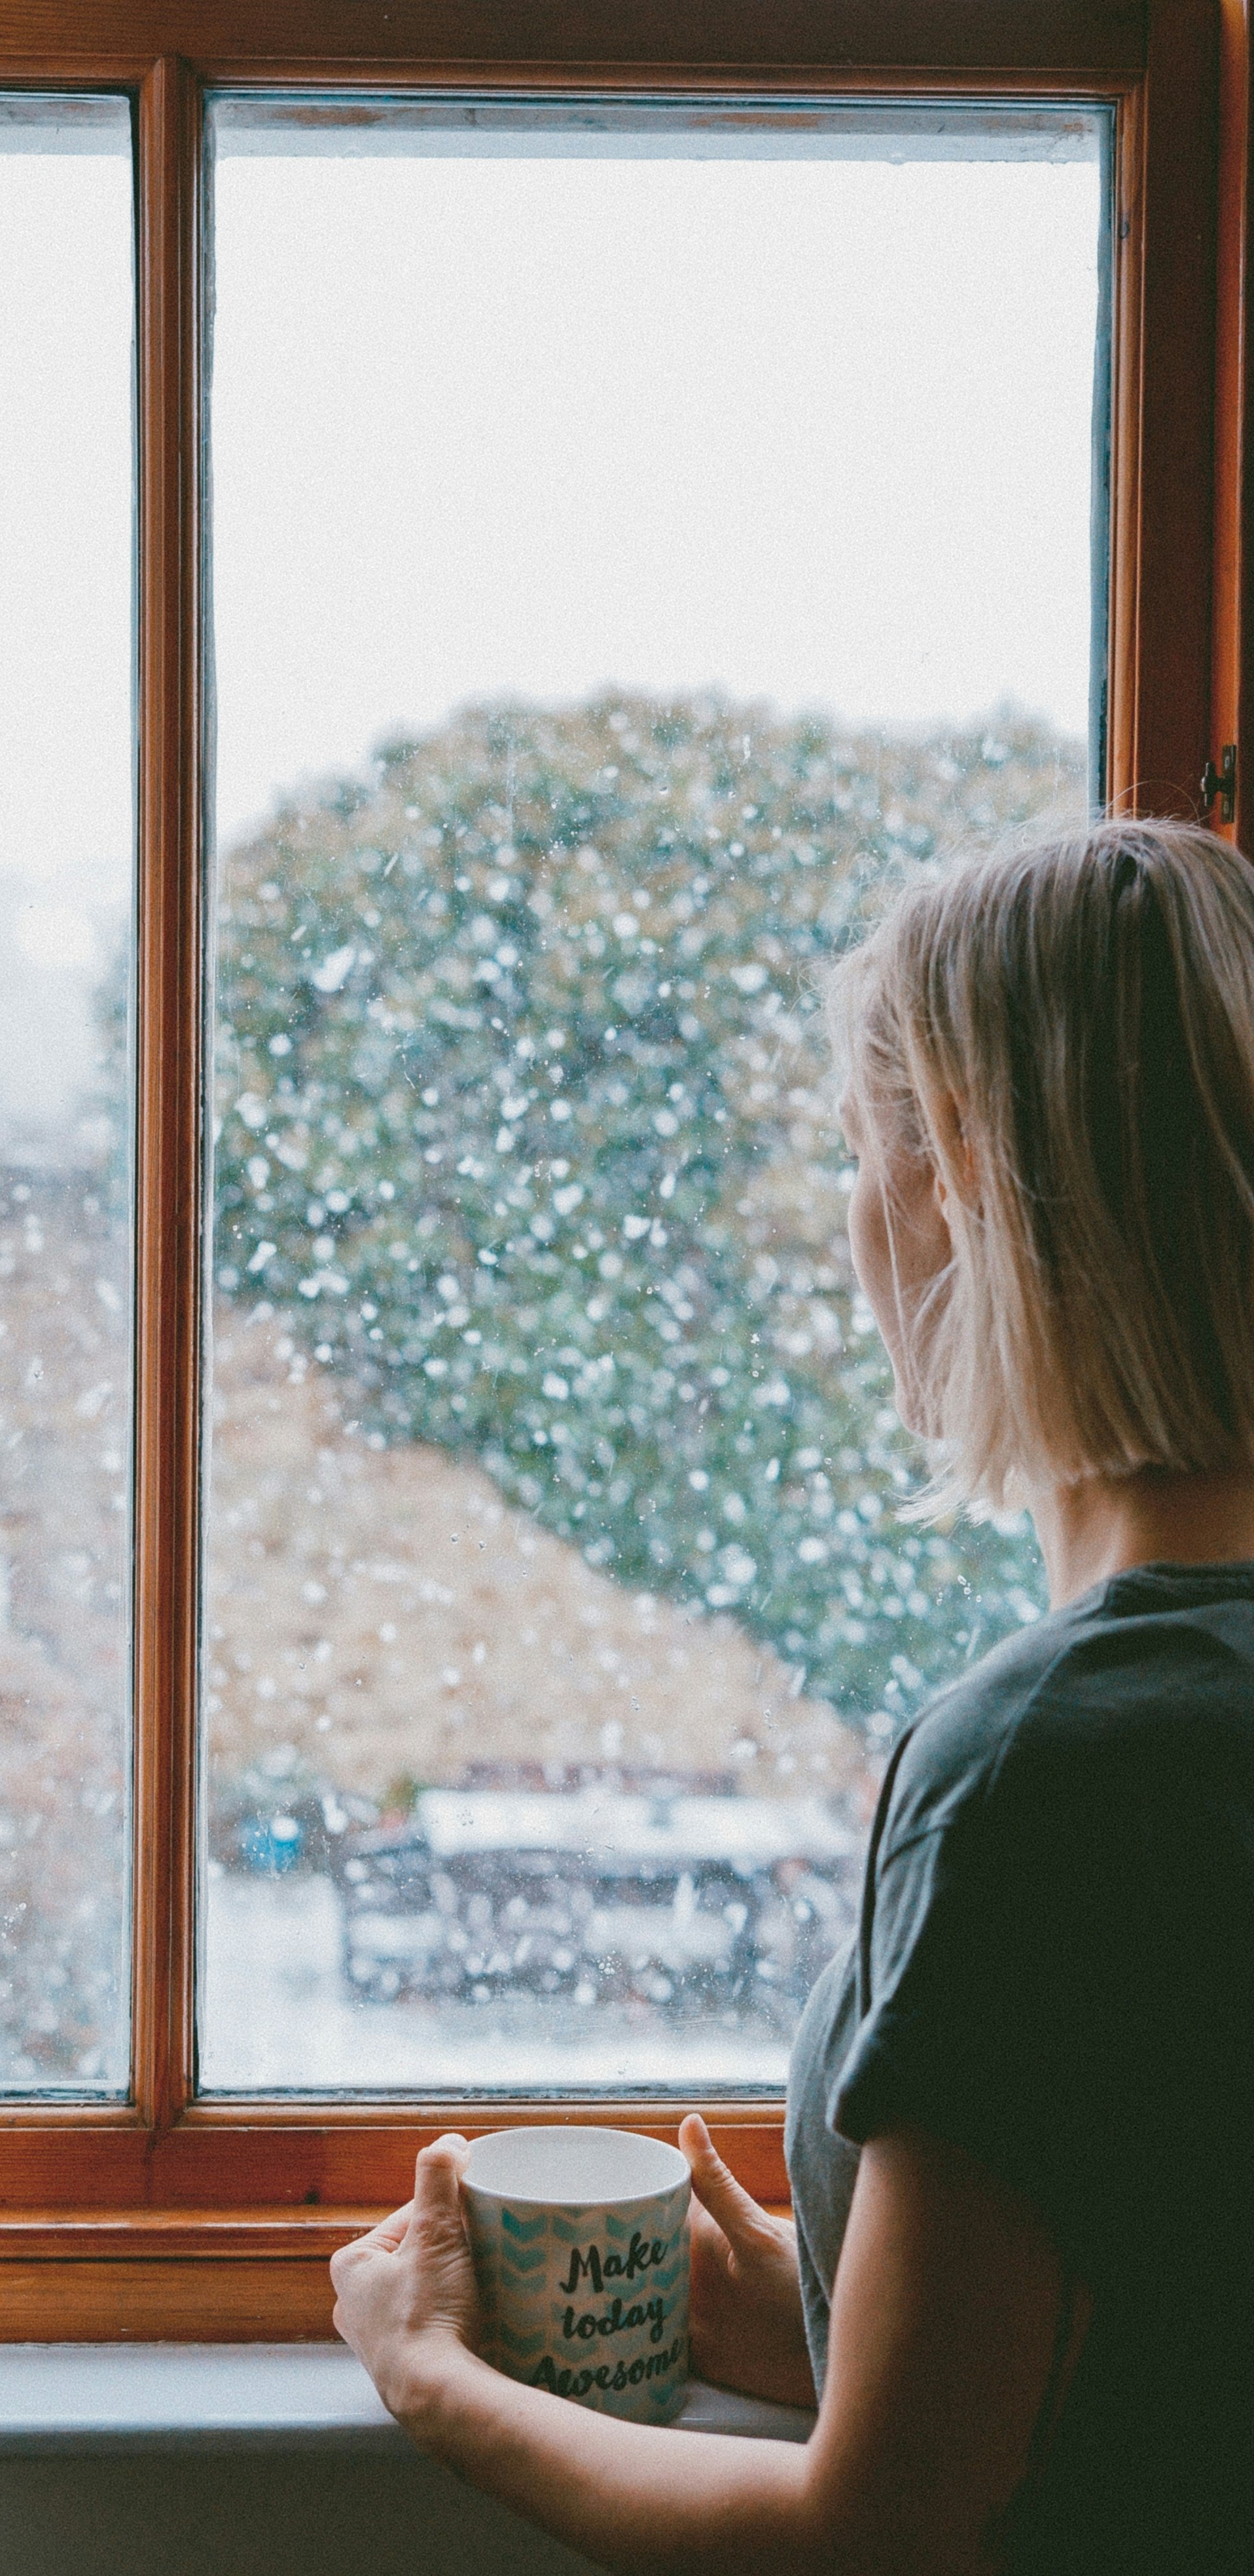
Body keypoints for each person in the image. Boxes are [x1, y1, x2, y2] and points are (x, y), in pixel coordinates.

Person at [331, 817, 1254, 2575]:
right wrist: (830, 2307)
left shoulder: (1043, 1767)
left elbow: (877, 2533)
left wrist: (431, 2377)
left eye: (858, 1152)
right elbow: (1169, 2355)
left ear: (964, 1181)